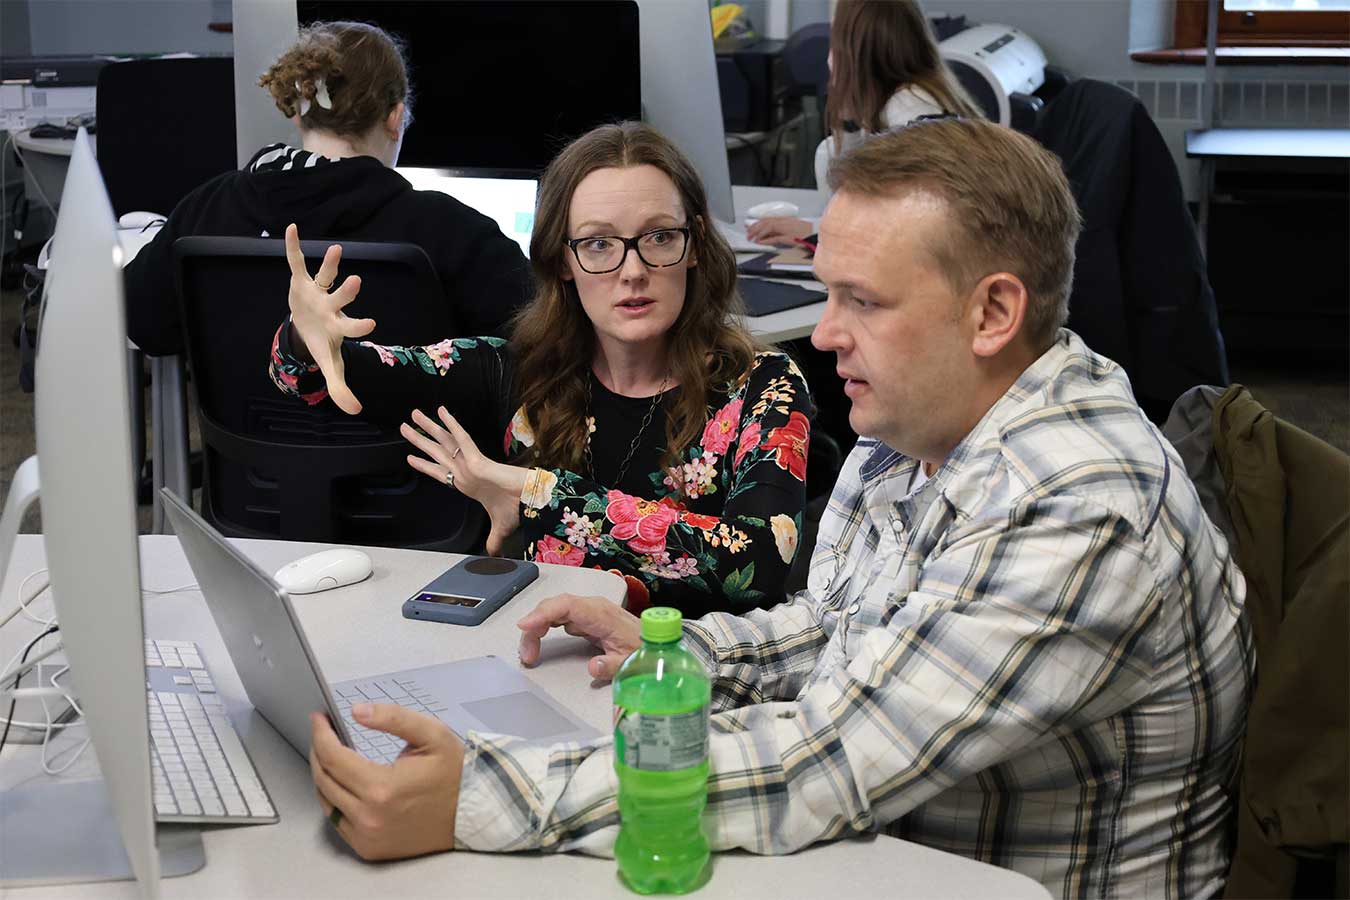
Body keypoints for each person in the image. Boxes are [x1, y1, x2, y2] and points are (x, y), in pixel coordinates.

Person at [301, 117, 1254, 899]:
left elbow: (824, 762)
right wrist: (674, 650)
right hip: (896, 856)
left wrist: (475, 795)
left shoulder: (1078, 503)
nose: (825, 332)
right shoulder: (915, 437)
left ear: (993, 314)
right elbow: (837, 630)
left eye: (861, 300)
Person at [273, 122, 812, 618]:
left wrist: (537, 494)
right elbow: (314, 375)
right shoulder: (515, 370)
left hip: (686, 686)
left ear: (693, 244)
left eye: (658, 237)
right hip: (538, 664)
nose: (633, 271)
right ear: (562, 260)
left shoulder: (763, 385)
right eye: (599, 244)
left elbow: (760, 566)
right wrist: (304, 336)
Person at [123, 21, 531, 356]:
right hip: (411, 454)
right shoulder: (451, 230)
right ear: (395, 119)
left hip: (247, 455)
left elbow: (146, 327)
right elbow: (538, 337)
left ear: (299, 116)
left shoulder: (209, 207)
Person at [746, 0, 982, 247]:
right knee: (827, 150)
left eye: (835, 41)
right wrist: (849, 115)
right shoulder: (914, 95)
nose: (829, 56)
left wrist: (815, 232)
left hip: (936, 255)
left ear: (853, 50)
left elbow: (898, 225)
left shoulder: (909, 109)